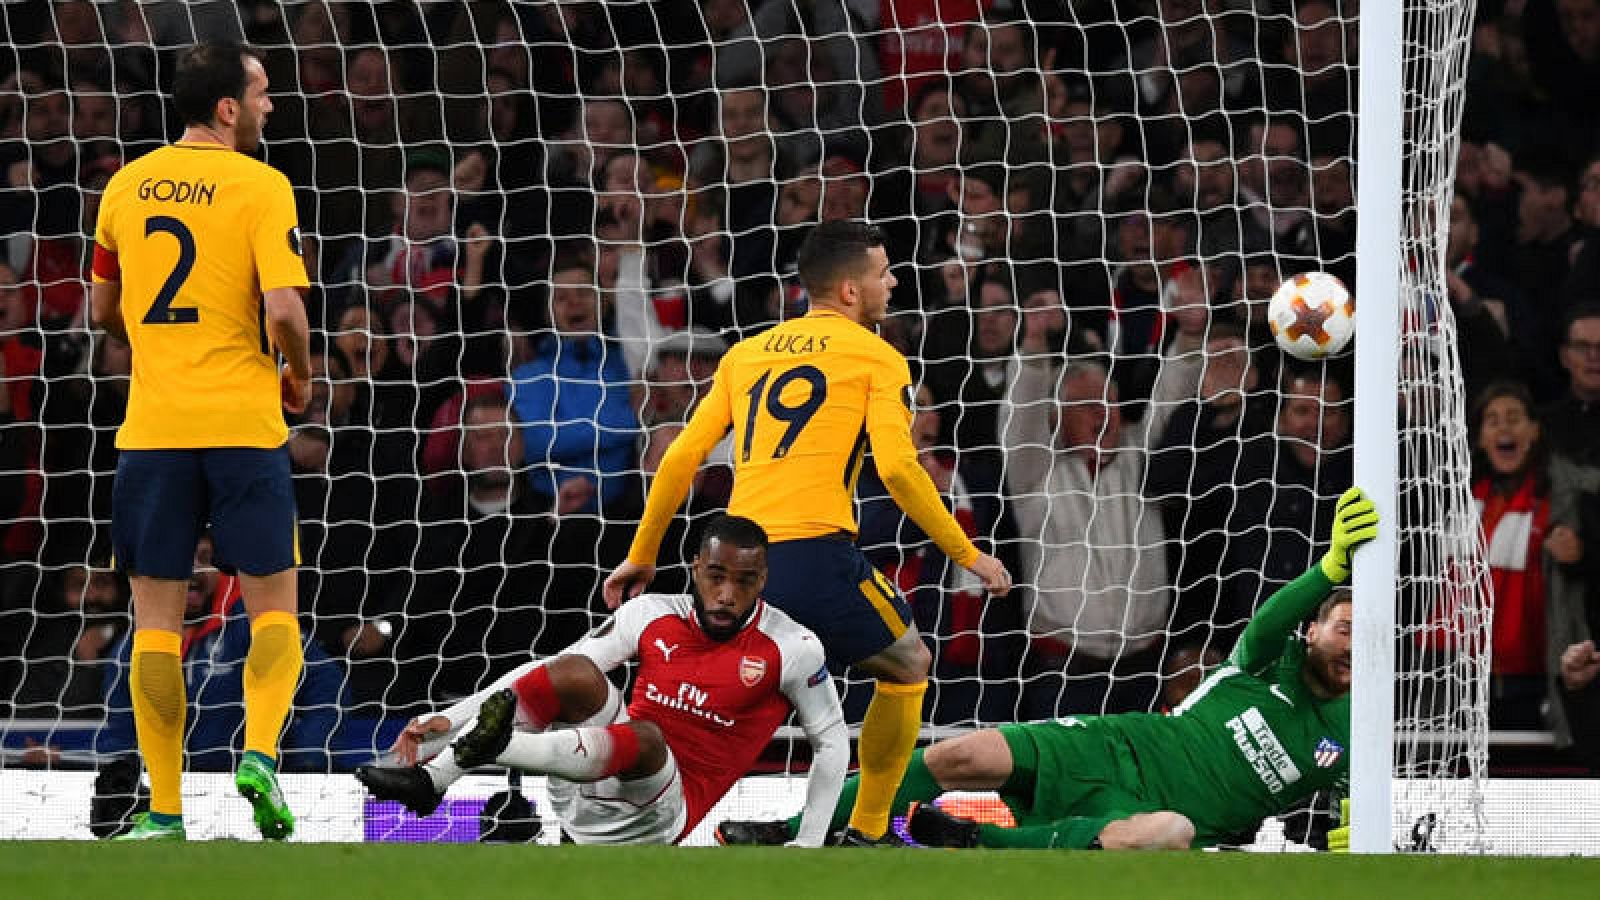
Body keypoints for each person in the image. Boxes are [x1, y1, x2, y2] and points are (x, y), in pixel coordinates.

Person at [604, 220, 1011, 845]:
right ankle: (869, 831)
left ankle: (617, 814)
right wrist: (968, 553)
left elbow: (682, 454)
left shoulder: (746, 355)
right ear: (850, 291)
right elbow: (899, 468)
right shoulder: (878, 356)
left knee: (723, 706)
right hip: (813, 554)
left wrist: (641, 554)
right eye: (883, 273)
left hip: (736, 562)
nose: (894, 281)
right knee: (908, 664)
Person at [719, 487, 1377, 851]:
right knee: (961, 756)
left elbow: (1325, 817)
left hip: (1149, 813)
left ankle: (967, 841)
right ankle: (785, 830)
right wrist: (1330, 567)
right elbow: (1265, 620)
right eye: (1342, 627)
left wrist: (1353, 835)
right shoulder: (1271, 659)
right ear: (1312, 629)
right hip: (1113, 745)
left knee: (1169, 835)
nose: (1351, 645)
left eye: (1364, 637)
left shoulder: (1352, 730)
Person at [87, 41, 312, 841]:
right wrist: (303, 375)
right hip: (243, 426)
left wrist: (152, 343)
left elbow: (102, 309)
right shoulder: (261, 185)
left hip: (153, 429)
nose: (270, 106)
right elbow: (283, 308)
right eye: (261, 94)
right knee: (274, 607)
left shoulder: (124, 185)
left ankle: (163, 810)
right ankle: (258, 755)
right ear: (227, 108)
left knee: (154, 623)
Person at [355, 515, 848, 846]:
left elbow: (831, 742)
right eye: (716, 576)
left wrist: (807, 844)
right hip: (586, 784)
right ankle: (433, 780)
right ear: (695, 569)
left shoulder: (792, 647)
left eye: (744, 582)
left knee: (647, 737)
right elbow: (544, 672)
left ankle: (486, 749)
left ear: (762, 580)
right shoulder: (652, 613)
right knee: (574, 672)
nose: (726, 594)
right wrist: (449, 717)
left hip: (661, 814)